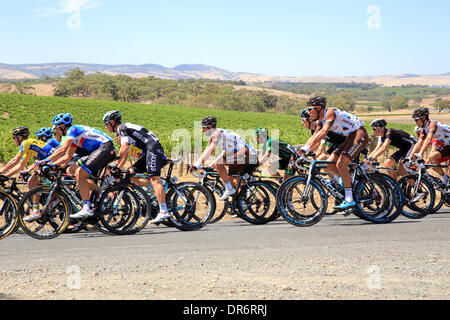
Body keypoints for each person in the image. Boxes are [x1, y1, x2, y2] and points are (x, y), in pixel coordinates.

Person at [298, 96, 369, 210]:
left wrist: (306, 149)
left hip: (359, 134)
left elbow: (324, 132)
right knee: (329, 162)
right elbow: (315, 136)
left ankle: (349, 199)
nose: (308, 112)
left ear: (319, 108)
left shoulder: (330, 113)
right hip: (348, 137)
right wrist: (303, 149)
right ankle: (349, 182)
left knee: (341, 164)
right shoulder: (319, 122)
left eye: (310, 109)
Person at [102, 110, 171, 224]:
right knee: (130, 174)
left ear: (113, 122)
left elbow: (124, 148)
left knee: (154, 179)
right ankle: (154, 195)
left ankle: (164, 211)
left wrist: (117, 166)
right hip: (148, 150)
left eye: (106, 123)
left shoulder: (121, 128)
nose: (106, 127)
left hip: (153, 148)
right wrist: (119, 166)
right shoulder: (122, 130)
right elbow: (127, 152)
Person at [44, 113, 117, 219]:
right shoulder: (75, 138)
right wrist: (51, 165)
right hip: (97, 151)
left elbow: (63, 149)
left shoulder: (73, 130)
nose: (55, 131)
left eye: (56, 127)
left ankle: (86, 208)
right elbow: (67, 157)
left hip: (106, 147)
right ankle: (99, 196)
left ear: (63, 126)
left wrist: (45, 161)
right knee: (71, 170)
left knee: (80, 173)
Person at [189, 117, 259, 200]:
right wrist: (208, 165)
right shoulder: (218, 135)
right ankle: (241, 204)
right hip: (242, 153)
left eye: (203, 127)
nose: (202, 130)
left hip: (247, 153)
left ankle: (230, 189)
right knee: (232, 180)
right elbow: (216, 151)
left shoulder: (217, 134)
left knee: (219, 163)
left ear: (210, 126)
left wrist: (197, 165)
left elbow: (210, 150)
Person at [0, 127, 59, 221]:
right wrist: (6, 176)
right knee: (33, 182)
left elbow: (15, 160)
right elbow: (19, 166)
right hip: (53, 161)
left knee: (32, 182)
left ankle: (36, 211)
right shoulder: (29, 146)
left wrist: (1, 172)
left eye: (14, 138)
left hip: (53, 161)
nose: (13, 140)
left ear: (20, 137)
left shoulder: (25, 143)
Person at [409, 108, 450, 186]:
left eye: (416, 120)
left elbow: (429, 139)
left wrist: (420, 154)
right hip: (448, 146)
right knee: (432, 158)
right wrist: (410, 157)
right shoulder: (423, 129)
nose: (415, 122)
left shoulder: (432, 124)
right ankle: (444, 178)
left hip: (447, 145)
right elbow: (419, 142)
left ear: (423, 118)